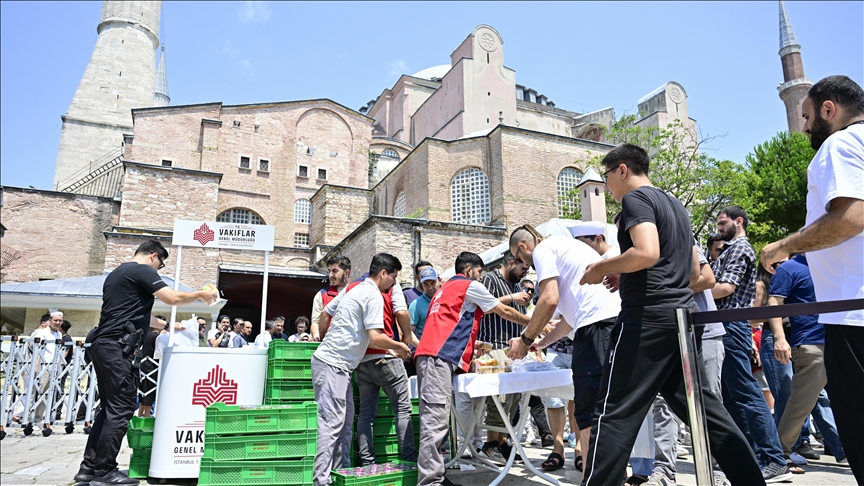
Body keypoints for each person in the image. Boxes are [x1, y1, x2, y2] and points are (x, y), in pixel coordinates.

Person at [570, 144, 765, 486]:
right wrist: (627, 272)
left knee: (613, 413)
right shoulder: (675, 205)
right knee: (705, 412)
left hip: (646, 320)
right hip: (681, 319)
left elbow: (646, 252)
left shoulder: (635, 200)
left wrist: (601, 266)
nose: (608, 187)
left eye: (606, 177)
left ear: (622, 170)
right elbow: (692, 270)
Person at [760, 75, 864, 482]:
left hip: (852, 314)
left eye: (806, 116)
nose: (803, 127)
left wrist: (783, 246)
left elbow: (850, 217)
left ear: (827, 109)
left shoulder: (839, 144)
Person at [74, 239, 217, 486]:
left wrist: (170, 326)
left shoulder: (117, 273)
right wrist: (200, 294)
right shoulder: (141, 270)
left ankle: (88, 468)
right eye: (160, 265)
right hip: (119, 349)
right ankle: (105, 471)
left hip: (104, 345)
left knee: (109, 409)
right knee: (121, 409)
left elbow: (139, 314)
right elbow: (171, 298)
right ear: (153, 256)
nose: (158, 271)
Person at [506, 222, 622, 474]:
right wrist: (541, 342)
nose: (524, 265)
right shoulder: (566, 248)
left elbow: (549, 299)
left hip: (596, 329)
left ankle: (597, 478)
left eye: (519, 257)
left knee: (589, 409)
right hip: (607, 325)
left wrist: (524, 341)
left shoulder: (544, 249)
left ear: (523, 247)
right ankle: (610, 475)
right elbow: (569, 317)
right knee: (604, 407)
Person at [415, 251, 530, 486]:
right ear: (469, 271)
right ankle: (430, 482)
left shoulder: (445, 289)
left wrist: (471, 344)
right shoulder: (468, 285)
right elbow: (503, 311)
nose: (480, 279)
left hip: (433, 356)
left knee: (434, 419)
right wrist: (535, 324)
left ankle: (435, 476)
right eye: (479, 273)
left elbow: (449, 323)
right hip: (438, 358)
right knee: (434, 421)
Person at [311, 253, 411, 486]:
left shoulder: (353, 289)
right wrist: (401, 346)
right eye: (394, 277)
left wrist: (327, 339)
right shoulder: (374, 295)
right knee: (331, 425)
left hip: (340, 366)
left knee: (345, 424)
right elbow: (376, 336)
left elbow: (327, 315)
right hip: (333, 365)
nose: (395, 283)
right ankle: (321, 481)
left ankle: (340, 474)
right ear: (383, 273)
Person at [711, 205, 791, 481]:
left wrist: (689, 288)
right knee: (734, 396)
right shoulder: (729, 248)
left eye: (722, 222)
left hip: (732, 326)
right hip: (726, 327)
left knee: (746, 393)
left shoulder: (740, 249)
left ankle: (773, 458)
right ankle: (751, 456)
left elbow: (725, 288)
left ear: (739, 221)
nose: (719, 227)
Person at [648, 238, 731, 486]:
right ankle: (664, 470)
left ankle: (718, 469)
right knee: (663, 402)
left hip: (704, 332)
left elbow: (707, 279)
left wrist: (661, 287)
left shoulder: (679, 235)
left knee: (710, 402)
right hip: (665, 333)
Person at [767, 254, 848, 469]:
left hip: (843, 340)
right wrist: (779, 338)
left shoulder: (835, 263)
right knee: (801, 403)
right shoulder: (789, 268)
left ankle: (848, 449)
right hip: (811, 344)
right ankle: (779, 454)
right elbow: (774, 302)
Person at [476, 252, 531, 463]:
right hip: (492, 347)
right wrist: (511, 298)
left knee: (512, 401)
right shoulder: (489, 279)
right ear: (511, 263)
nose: (524, 274)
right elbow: (481, 306)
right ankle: (491, 443)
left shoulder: (517, 285)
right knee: (498, 399)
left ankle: (501, 442)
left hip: (513, 349)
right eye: (523, 269)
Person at [311, 255, 351, 338]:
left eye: (334, 271)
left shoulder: (357, 292)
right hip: (329, 345)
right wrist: (316, 336)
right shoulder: (321, 294)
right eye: (329, 271)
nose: (330, 275)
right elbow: (315, 322)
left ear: (346, 272)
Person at [137, 315, 164, 418]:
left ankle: (140, 417)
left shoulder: (148, 335)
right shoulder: (157, 337)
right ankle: (146, 418)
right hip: (151, 368)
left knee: (143, 396)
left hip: (144, 367)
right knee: (148, 397)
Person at [408, 267, 441, 340]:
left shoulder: (447, 299)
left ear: (439, 281)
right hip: (427, 348)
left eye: (433, 283)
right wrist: (420, 347)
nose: (430, 288)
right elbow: (408, 332)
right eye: (425, 284)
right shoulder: (416, 304)